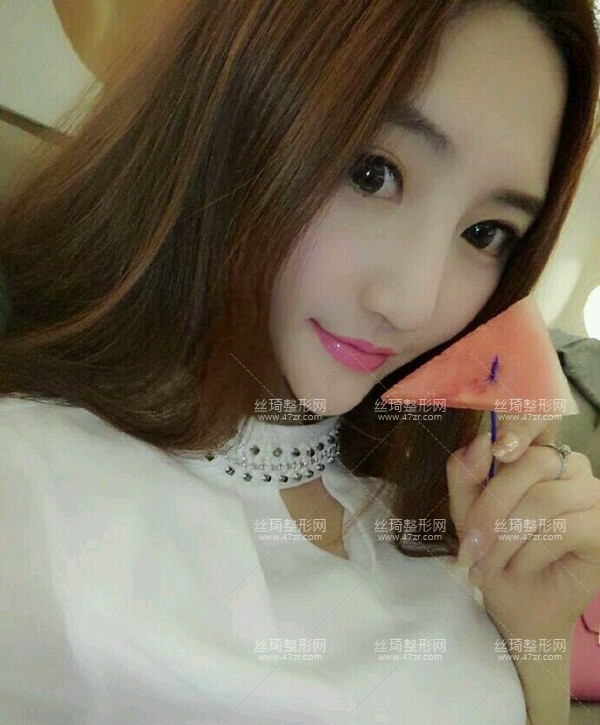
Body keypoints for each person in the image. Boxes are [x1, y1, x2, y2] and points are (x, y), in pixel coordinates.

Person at [0, 1, 599, 722]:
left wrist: (537, 634)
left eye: (484, 232)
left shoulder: (435, 516)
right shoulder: (32, 500)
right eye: (372, 173)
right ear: (231, 112)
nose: (413, 302)